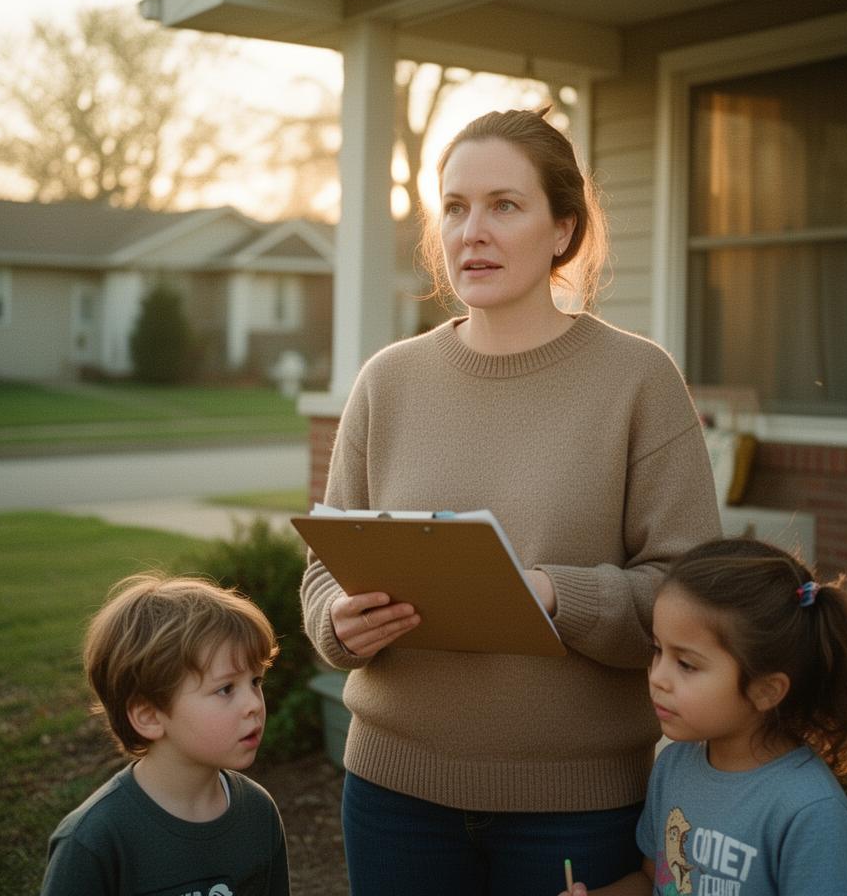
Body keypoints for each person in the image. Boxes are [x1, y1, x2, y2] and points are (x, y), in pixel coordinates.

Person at [300, 107, 722, 895]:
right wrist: (338, 621)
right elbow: (325, 567)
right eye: (455, 208)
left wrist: (557, 594)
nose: (472, 231)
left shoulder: (638, 381)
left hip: (576, 805)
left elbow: (692, 595)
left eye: (504, 205)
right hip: (394, 795)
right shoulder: (386, 381)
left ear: (563, 229)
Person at [558, 538, 847, 896]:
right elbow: (655, 881)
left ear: (766, 690)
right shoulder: (673, 768)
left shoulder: (810, 811)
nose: (657, 676)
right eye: (658, 650)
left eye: (686, 664)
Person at [40, 572, 290, 896]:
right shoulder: (93, 841)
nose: (253, 705)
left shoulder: (257, 812)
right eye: (226, 688)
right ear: (149, 716)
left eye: (256, 681)